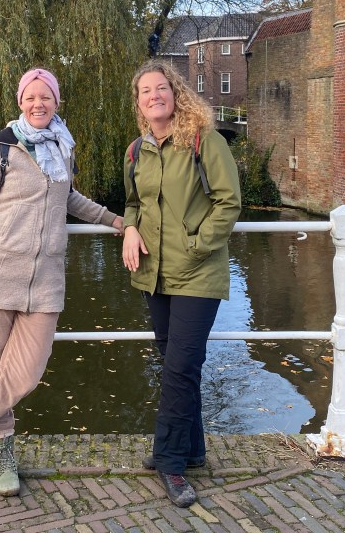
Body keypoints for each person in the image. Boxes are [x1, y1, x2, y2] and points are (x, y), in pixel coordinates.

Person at [0, 67, 123, 497]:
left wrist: (113, 219)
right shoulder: (0, 148)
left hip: (45, 283)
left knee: (26, 373)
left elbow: (67, 196)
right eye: (31, 97)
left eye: (47, 97)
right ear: (20, 101)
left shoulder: (63, 146)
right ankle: (3, 456)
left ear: (57, 102)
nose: (39, 104)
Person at [121, 60, 242, 508]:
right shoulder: (136, 151)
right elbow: (132, 203)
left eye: (161, 88)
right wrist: (129, 228)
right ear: (139, 103)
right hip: (153, 275)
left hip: (198, 274)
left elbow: (229, 202)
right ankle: (192, 450)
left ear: (175, 93)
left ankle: (169, 462)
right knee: (177, 364)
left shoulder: (202, 141)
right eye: (145, 91)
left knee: (178, 370)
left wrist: (196, 245)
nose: (154, 96)